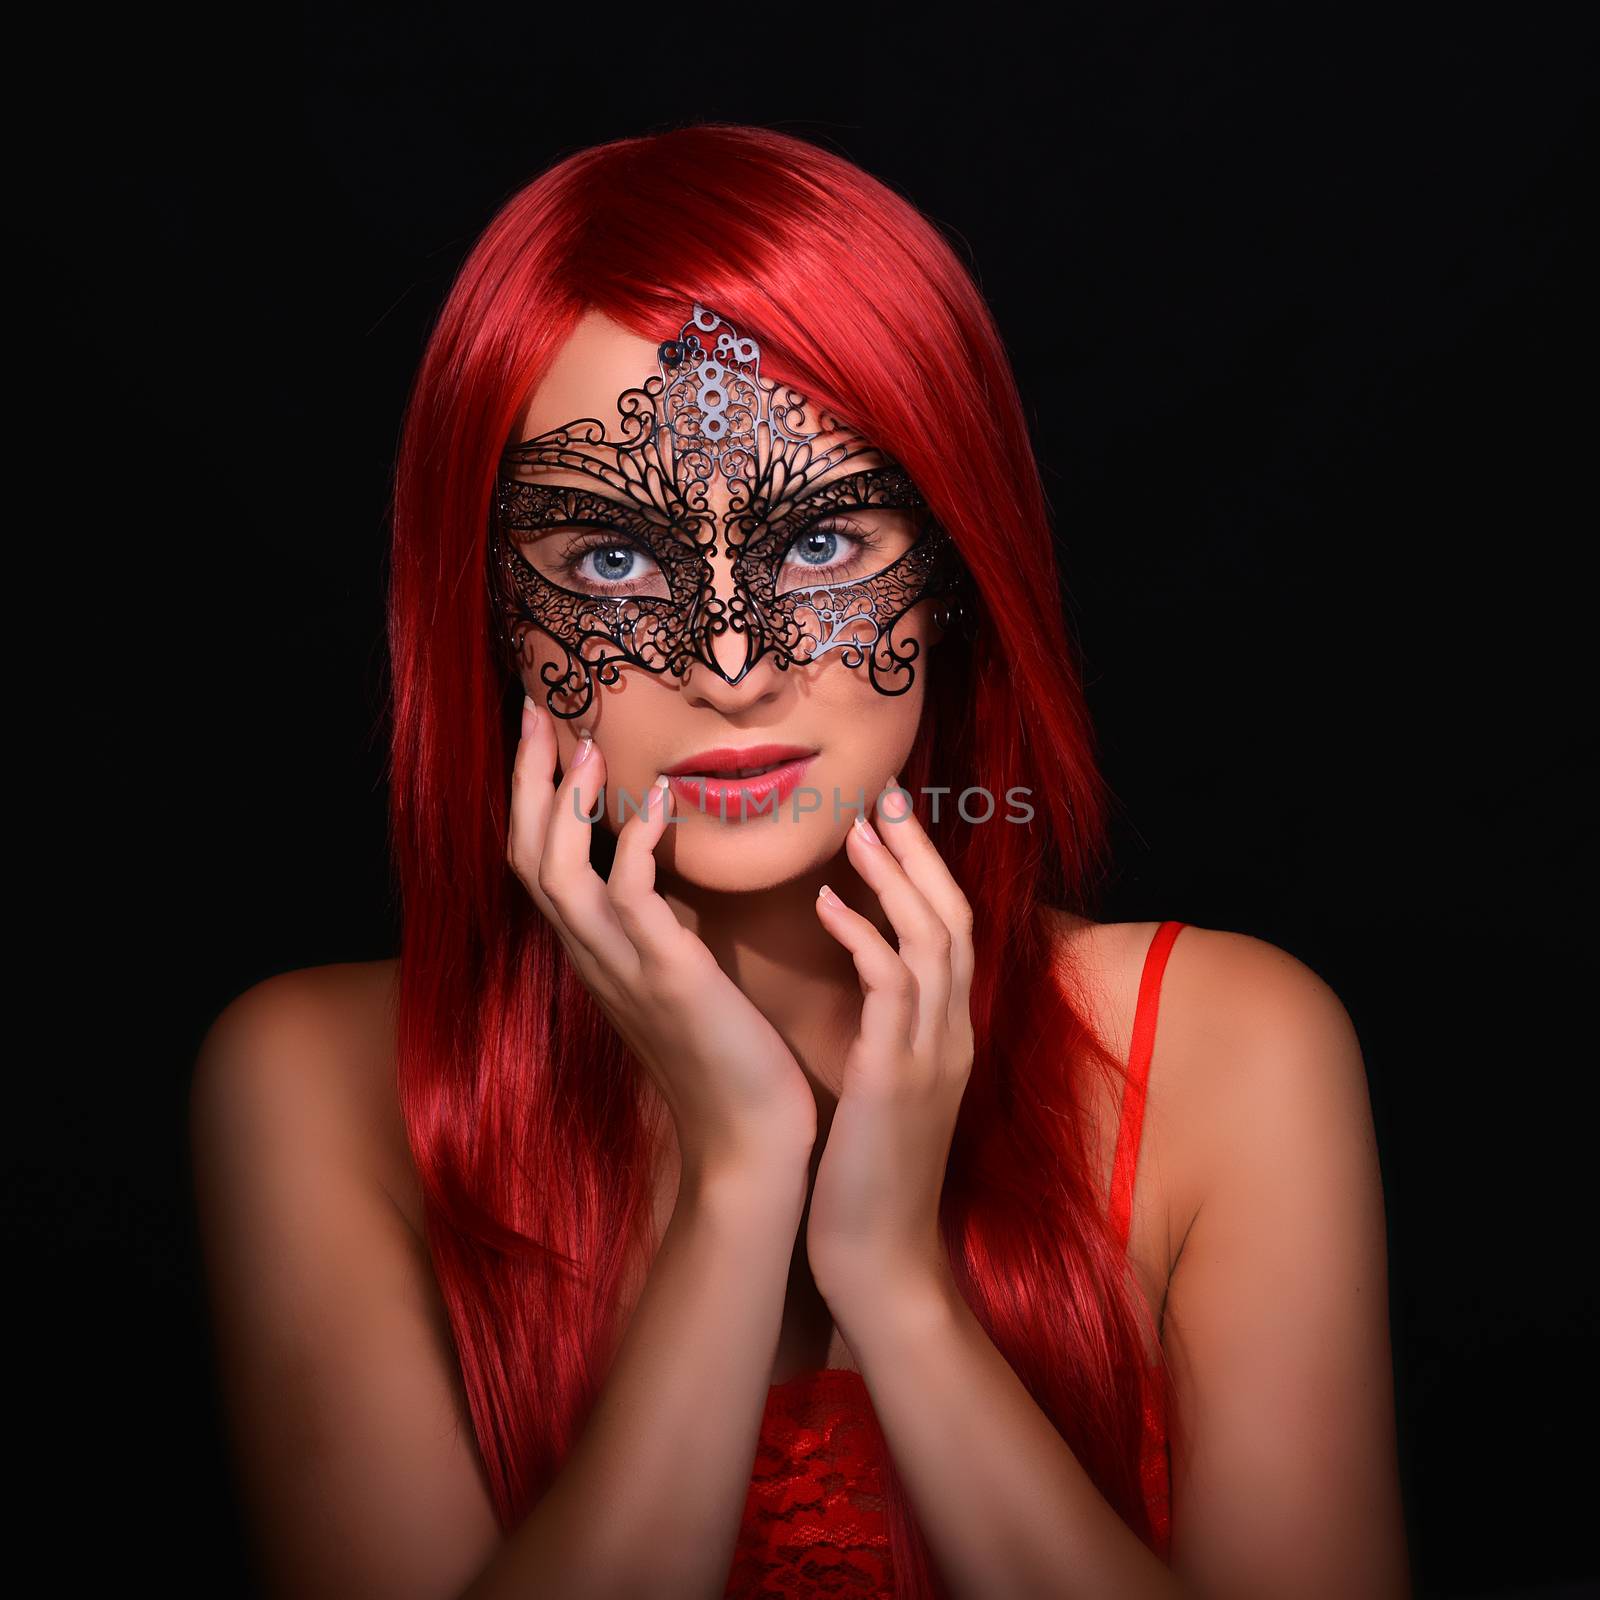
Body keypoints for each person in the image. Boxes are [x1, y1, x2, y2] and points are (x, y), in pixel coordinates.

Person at [190, 122, 1412, 1599]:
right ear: (492, 614)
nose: (728, 661)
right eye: (612, 561)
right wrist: (739, 1182)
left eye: (822, 541)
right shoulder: (311, 1086)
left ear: (955, 562)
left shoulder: (1229, 1054)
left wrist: (898, 1288)